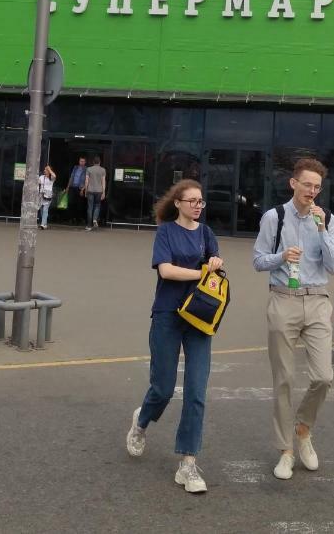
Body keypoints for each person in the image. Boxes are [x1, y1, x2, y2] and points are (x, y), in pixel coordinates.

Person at [125, 179, 223, 494]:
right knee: (163, 388)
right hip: (168, 314)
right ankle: (141, 423)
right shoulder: (166, 232)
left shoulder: (207, 234)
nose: (198, 205)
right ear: (177, 203)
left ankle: (188, 464)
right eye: (192, 200)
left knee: (196, 391)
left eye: (201, 201)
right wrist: (201, 272)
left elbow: (216, 273)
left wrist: (216, 267)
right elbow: (166, 271)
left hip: (199, 317)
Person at [253, 157, 334, 481]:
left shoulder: (327, 218)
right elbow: (258, 260)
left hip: (317, 300)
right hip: (283, 299)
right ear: (293, 183)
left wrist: (323, 230)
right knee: (284, 379)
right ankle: (285, 451)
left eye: (317, 187)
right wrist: (282, 256)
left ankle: (303, 429)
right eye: (307, 185)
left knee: (324, 377)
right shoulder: (273, 217)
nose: (312, 192)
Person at [84, 156, 107, 230]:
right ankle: (94, 219)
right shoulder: (103, 170)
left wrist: (86, 190)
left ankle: (89, 225)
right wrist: (104, 192)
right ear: (100, 162)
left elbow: (86, 181)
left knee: (90, 207)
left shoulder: (89, 169)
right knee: (97, 206)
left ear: (93, 162)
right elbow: (103, 182)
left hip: (90, 190)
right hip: (99, 191)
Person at [65, 157, 87, 226]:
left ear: (85, 162)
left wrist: (83, 189)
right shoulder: (75, 168)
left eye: (83, 161)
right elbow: (71, 177)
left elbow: (87, 180)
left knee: (79, 204)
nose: (82, 163)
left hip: (80, 188)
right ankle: (71, 218)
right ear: (79, 161)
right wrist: (68, 187)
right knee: (71, 203)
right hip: (73, 187)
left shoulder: (86, 169)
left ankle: (78, 218)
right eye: (81, 161)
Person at [37, 164, 56, 230]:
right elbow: (38, 182)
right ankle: (44, 224)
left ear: (49, 171)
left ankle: (42, 224)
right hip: (41, 195)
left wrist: (50, 169)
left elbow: (54, 175)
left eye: (46, 169)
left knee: (45, 209)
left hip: (48, 195)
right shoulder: (42, 177)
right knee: (42, 210)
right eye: (45, 169)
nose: (44, 170)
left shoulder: (51, 178)